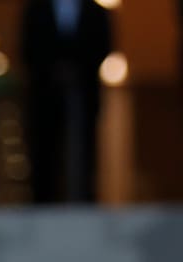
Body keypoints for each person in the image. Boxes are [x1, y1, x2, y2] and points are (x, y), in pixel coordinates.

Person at [21, 0, 112, 203]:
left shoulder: (96, 12)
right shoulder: (35, 10)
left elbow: (104, 47)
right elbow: (28, 49)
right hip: (45, 96)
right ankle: (43, 202)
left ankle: (85, 198)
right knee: (45, 149)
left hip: (83, 95)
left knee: (84, 150)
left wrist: (78, 71)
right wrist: (53, 71)